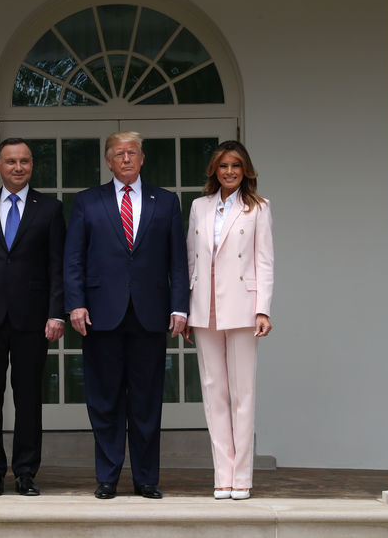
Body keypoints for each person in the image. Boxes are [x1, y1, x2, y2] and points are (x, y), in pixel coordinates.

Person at [64, 131, 189, 500]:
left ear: (142, 158)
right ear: (108, 160)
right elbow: (74, 259)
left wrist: (179, 305)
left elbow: (178, 263)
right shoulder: (88, 201)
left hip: (151, 315)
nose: (126, 159)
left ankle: (147, 478)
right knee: (105, 400)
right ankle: (108, 477)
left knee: (147, 401)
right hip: (101, 315)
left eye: (132, 153)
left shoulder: (166, 202)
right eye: (119, 154)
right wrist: (76, 303)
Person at [0, 138, 65, 497]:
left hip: (33, 318)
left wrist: (57, 313)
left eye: (24, 161)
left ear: (31, 165)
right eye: (11, 161)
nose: (18, 167)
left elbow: (57, 265)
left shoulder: (50, 209)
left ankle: (25, 471)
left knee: (28, 398)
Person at [182, 140, 274, 500]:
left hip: (243, 305)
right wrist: (187, 311)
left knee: (242, 393)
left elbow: (264, 261)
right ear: (214, 171)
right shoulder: (199, 207)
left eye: (236, 166)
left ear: (245, 169)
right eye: (223, 166)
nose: (230, 172)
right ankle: (222, 474)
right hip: (204, 308)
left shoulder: (259, 208)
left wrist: (262, 308)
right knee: (213, 392)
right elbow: (191, 260)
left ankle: (242, 477)